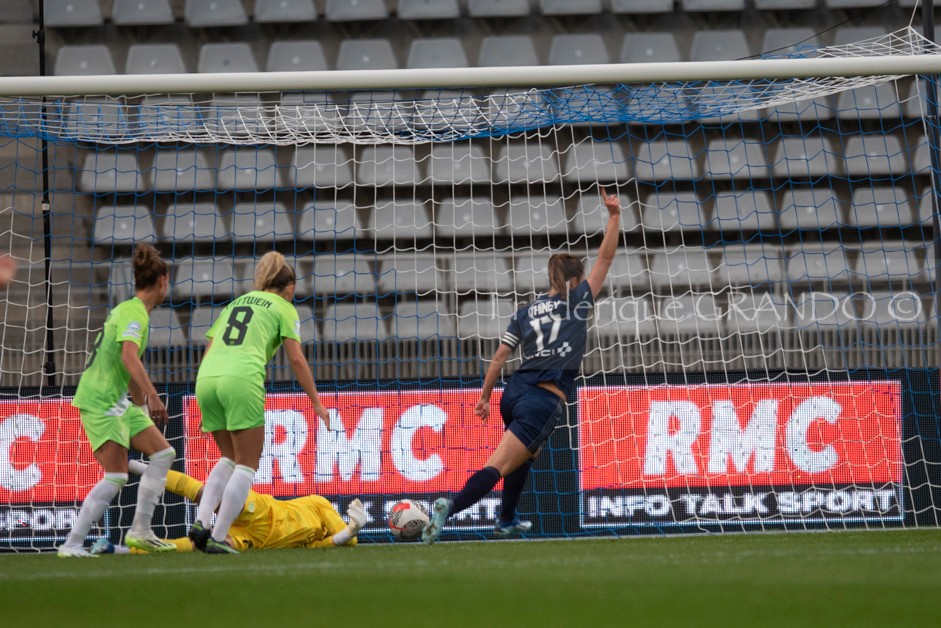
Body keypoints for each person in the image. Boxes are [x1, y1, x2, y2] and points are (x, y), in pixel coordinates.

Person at [422, 188, 623, 544]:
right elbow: (604, 261)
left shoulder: (525, 311)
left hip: (512, 393)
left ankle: (506, 518)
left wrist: (484, 398)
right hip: (542, 399)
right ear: (575, 279)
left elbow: (499, 357)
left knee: (527, 454)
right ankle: (447, 511)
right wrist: (614, 217)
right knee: (499, 465)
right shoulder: (576, 302)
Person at [192, 251, 330, 554]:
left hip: (206, 379)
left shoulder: (236, 303)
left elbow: (210, 346)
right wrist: (317, 403)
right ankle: (218, 535)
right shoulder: (284, 307)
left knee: (228, 458)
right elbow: (296, 357)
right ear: (290, 288)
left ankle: (200, 523)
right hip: (240, 379)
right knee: (247, 464)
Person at [58, 244, 175, 557]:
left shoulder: (133, 312)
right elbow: (128, 357)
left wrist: (139, 410)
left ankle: (140, 531)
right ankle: (71, 545)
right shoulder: (133, 313)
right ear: (163, 281)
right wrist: (152, 396)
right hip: (99, 400)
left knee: (164, 454)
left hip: (118, 400)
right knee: (117, 476)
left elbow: (130, 368)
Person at [91, 460, 367, 554]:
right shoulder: (319, 503)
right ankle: (134, 466)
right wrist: (348, 532)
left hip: (257, 539)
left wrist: (349, 532)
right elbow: (343, 540)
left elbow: (334, 544)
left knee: (200, 546)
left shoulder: (310, 546)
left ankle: (120, 549)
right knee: (201, 493)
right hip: (261, 511)